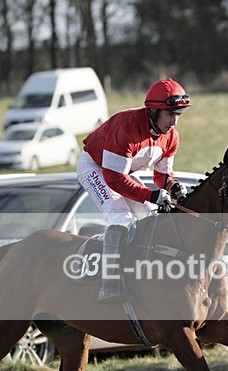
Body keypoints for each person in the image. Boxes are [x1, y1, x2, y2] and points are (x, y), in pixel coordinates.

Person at [76, 78, 191, 302]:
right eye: (170, 114)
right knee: (121, 217)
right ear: (154, 111)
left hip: (122, 171)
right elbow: (114, 179)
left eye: (178, 115)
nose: (174, 122)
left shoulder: (171, 137)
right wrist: (150, 194)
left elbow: (162, 175)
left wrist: (173, 187)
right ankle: (109, 285)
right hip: (96, 168)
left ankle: (141, 273)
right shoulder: (127, 128)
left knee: (147, 215)